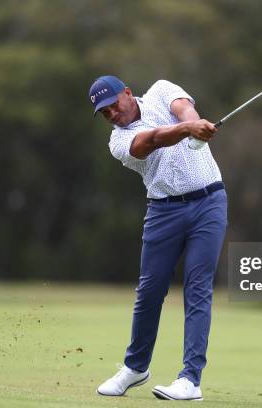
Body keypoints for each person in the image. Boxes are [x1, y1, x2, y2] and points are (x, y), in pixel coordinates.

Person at [89, 75, 227, 401]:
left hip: (209, 202)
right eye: (103, 112)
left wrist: (196, 129)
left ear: (126, 93)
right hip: (163, 212)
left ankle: (190, 379)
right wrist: (186, 131)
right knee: (150, 292)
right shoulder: (119, 142)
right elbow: (148, 141)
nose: (111, 114)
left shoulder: (161, 90)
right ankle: (136, 367)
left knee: (197, 287)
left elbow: (184, 110)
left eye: (113, 105)